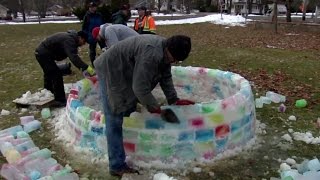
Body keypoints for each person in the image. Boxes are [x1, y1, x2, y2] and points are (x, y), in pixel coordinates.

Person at [94, 35, 195, 177]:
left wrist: (173, 99)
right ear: (168, 49)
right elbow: (140, 87)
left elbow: (165, 76)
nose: (174, 62)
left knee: (128, 102)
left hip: (125, 68)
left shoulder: (164, 53)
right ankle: (116, 165)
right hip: (110, 68)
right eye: (174, 59)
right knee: (114, 116)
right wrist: (154, 107)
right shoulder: (152, 53)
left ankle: (128, 131)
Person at [35, 31, 95, 107]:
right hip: (43, 53)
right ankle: (60, 100)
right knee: (56, 75)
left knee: (49, 72)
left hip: (43, 52)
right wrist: (86, 67)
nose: (84, 44)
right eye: (84, 41)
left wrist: (82, 68)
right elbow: (74, 57)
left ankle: (48, 92)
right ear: (80, 37)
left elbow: (72, 55)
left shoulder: (71, 39)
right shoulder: (69, 40)